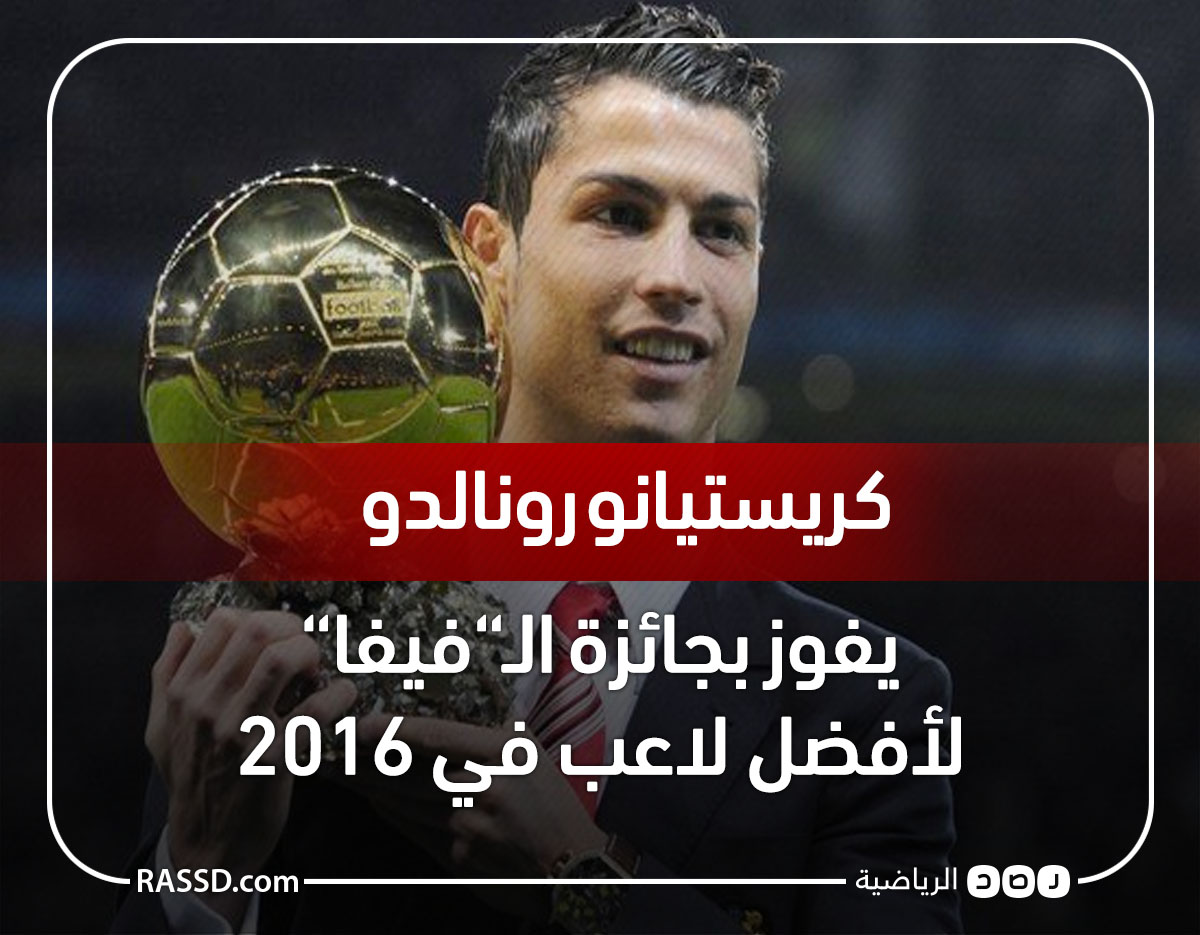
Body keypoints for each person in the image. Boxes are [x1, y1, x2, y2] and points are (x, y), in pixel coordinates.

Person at [116, 6, 960, 933]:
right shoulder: (288, 628)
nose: (678, 277)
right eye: (621, 215)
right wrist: (200, 874)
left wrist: (583, 877)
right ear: (491, 255)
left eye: (722, 231)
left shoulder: (869, 703)